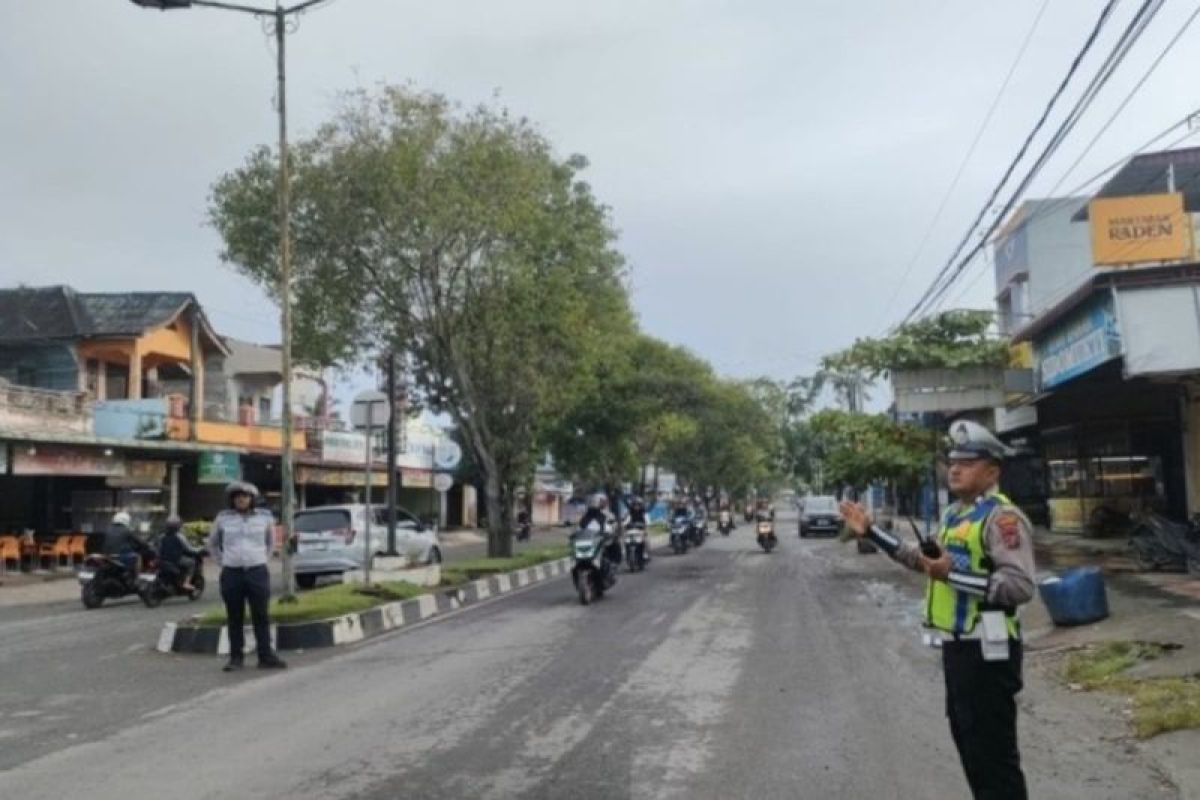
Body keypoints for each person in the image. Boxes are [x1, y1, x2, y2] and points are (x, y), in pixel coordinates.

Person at [840, 419, 1035, 800]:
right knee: (972, 752)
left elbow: (1020, 586)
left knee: (994, 760)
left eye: (969, 462)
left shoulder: (1001, 519)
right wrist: (871, 532)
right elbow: (920, 561)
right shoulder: (955, 516)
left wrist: (954, 575)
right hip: (959, 651)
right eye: (953, 461)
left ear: (992, 471)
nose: (956, 468)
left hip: (988, 654)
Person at [207, 481, 287, 672]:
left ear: (252, 499)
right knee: (234, 616)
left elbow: (270, 543)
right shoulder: (223, 518)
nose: (241, 499)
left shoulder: (265, 518)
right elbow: (212, 544)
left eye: (245, 496)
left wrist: (261, 560)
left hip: (257, 571)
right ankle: (236, 658)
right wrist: (223, 562)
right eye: (237, 497)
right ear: (232, 500)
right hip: (232, 573)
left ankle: (265, 656)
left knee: (261, 615)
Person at [158, 515, 200, 593]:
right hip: (176, 559)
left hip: (163, 559)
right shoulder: (179, 536)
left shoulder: (162, 536)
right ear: (178, 526)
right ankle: (186, 583)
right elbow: (188, 548)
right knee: (192, 563)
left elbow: (159, 548)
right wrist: (199, 550)